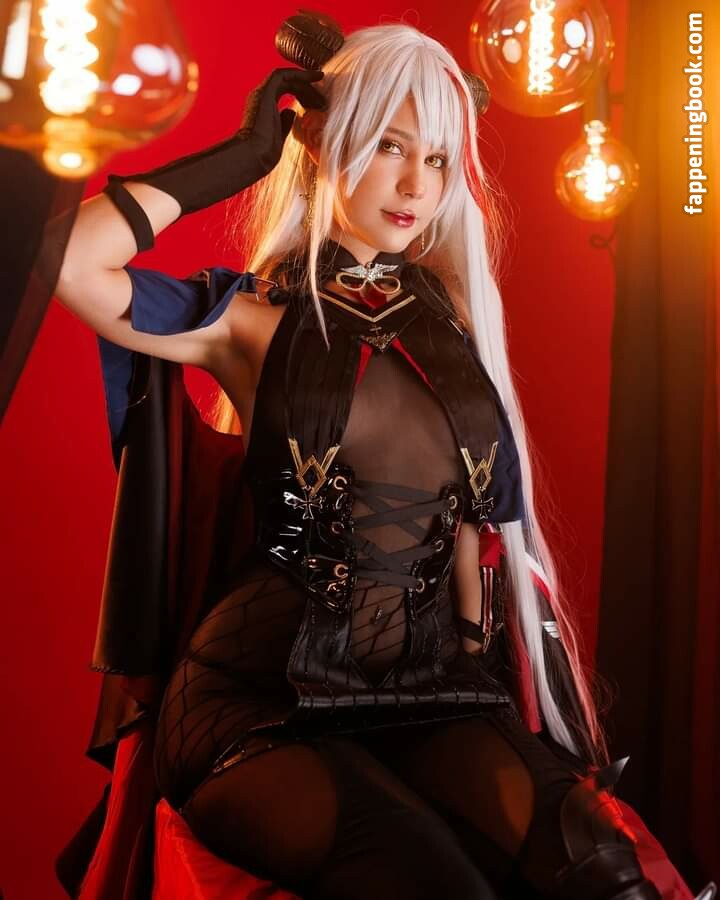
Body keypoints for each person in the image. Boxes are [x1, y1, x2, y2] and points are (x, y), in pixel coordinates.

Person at [51, 12, 710, 900]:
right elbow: (71, 261)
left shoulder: (454, 333)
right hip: (258, 697)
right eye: (390, 146)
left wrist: (474, 653)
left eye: (436, 158)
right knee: (436, 884)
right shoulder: (250, 320)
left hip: (425, 690)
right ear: (326, 142)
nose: (415, 183)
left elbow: (475, 524)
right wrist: (245, 156)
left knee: (599, 859)